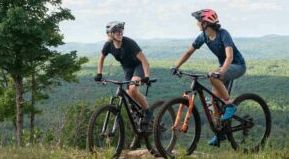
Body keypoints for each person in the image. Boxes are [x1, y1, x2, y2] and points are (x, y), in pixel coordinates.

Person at [171, 9, 246, 146]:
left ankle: (230, 104)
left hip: (237, 65)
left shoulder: (223, 34)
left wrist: (221, 71)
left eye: (198, 21)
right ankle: (221, 133)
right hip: (224, 69)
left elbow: (229, 56)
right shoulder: (203, 36)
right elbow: (189, 52)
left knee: (213, 77)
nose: (197, 24)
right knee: (214, 99)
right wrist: (177, 66)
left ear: (205, 23)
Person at [94, 21, 153, 127]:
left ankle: (148, 112)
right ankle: (138, 108)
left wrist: (147, 76)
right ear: (110, 34)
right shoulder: (108, 45)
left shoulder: (129, 42)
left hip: (139, 66)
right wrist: (99, 74)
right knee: (129, 93)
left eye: (121, 31)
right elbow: (101, 58)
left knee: (133, 88)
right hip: (127, 69)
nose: (120, 33)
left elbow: (144, 60)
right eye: (117, 31)